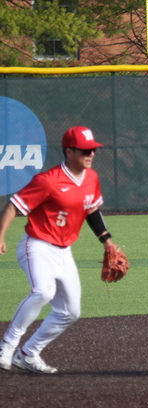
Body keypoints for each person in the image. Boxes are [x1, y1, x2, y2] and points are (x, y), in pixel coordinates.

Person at [0, 126, 121, 374]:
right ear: (69, 151)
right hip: (36, 244)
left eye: (93, 150)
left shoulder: (91, 178)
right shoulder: (48, 180)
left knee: (70, 311)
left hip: (64, 251)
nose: (91, 154)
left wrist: (107, 241)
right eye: (85, 150)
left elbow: (92, 210)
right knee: (43, 291)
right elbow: (14, 205)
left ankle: (28, 353)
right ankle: (7, 345)